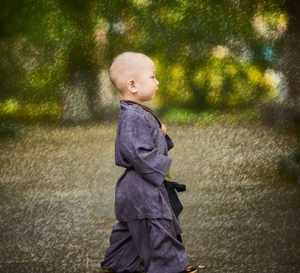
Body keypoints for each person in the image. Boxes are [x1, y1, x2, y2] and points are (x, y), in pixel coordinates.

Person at [99, 52, 200, 273]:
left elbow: (142, 146)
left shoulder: (136, 113)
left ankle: (120, 264)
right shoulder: (133, 116)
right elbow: (138, 153)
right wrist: (161, 168)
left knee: (132, 235)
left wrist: (160, 133)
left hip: (136, 191)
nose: (157, 82)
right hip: (142, 192)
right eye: (153, 77)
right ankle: (171, 269)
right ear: (133, 85)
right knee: (158, 231)